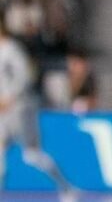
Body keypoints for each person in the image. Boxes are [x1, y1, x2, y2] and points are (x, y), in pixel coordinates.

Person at [0, 18, 77, 201]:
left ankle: (66, 187)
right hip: (3, 111)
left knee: (31, 154)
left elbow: (25, 76)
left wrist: (11, 97)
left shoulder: (12, 50)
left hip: (20, 108)